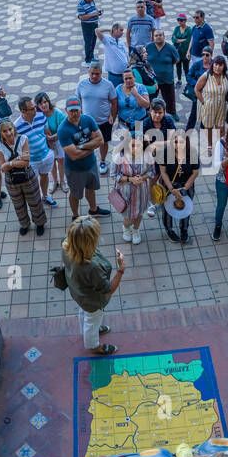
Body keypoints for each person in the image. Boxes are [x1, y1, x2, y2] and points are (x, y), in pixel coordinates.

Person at [61, 216, 125, 355]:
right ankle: (94, 346)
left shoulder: (66, 244)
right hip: (92, 301)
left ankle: (87, 330)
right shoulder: (91, 268)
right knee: (92, 321)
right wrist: (121, 269)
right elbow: (108, 290)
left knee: (84, 314)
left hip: (78, 292)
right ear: (89, 241)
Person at [56, 96, 112, 219]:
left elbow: (101, 140)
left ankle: (93, 210)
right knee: (75, 194)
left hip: (91, 164)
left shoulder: (88, 120)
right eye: (71, 111)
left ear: (81, 108)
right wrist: (92, 147)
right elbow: (74, 156)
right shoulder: (63, 129)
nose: (75, 113)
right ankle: (75, 216)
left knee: (91, 188)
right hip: (75, 169)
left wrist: (80, 146)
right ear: (66, 110)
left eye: (77, 110)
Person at [0, 119, 47, 236]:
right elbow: (2, 167)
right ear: (0, 133)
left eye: (10, 129)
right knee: (18, 205)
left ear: (14, 128)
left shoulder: (23, 139)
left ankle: (39, 223)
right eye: (5, 131)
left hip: (28, 175)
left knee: (35, 201)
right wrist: (19, 159)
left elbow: (26, 162)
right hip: (11, 180)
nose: (9, 133)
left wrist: (9, 163)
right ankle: (24, 224)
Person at [15, 97, 58, 207]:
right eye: (32, 108)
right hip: (31, 161)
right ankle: (36, 201)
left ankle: (45, 197)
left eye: (34, 106)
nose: (36, 109)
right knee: (32, 183)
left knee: (44, 177)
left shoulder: (41, 116)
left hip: (45, 155)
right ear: (23, 111)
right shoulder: (16, 127)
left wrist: (51, 150)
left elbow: (47, 132)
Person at [75, 62, 118, 174]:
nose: (94, 76)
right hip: (86, 122)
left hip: (104, 121)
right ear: (88, 72)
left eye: (97, 74)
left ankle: (102, 161)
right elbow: (77, 101)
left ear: (101, 73)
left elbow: (114, 102)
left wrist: (112, 116)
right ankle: (88, 161)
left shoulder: (108, 85)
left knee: (103, 142)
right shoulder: (81, 84)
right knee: (86, 142)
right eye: (92, 73)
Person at [157, 131, 200, 243]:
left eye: (181, 142)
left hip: (186, 184)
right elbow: (163, 172)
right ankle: (169, 229)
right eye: (175, 142)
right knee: (167, 208)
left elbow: (195, 172)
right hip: (169, 184)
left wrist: (185, 188)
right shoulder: (165, 152)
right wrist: (171, 189)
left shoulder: (192, 153)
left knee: (186, 207)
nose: (178, 145)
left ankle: (184, 229)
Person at [113, 131, 154, 244]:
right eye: (132, 145)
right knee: (129, 218)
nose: (135, 148)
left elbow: (151, 172)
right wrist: (130, 179)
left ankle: (136, 230)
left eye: (138, 145)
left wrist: (142, 177)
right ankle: (126, 228)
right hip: (126, 193)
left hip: (142, 192)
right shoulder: (119, 158)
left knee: (139, 213)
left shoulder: (148, 156)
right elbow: (114, 175)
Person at [143, 28, 181, 116]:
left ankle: (172, 113)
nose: (158, 37)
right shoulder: (148, 47)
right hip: (152, 80)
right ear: (153, 37)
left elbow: (177, 60)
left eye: (160, 35)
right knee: (150, 98)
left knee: (170, 98)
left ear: (164, 36)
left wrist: (165, 66)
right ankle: (148, 114)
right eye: (156, 35)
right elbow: (143, 58)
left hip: (167, 79)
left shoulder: (170, 48)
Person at [195, 55, 228, 151]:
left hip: (221, 107)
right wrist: (203, 102)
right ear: (212, 65)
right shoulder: (206, 76)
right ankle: (210, 145)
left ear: (224, 66)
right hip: (209, 106)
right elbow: (197, 90)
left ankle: (219, 146)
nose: (218, 67)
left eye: (220, 65)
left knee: (220, 128)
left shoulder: (226, 77)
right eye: (216, 65)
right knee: (209, 127)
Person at [36, 92, 66, 196]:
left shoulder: (57, 113)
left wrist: (53, 137)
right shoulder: (38, 116)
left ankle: (62, 181)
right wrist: (48, 140)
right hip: (46, 143)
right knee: (52, 163)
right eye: (40, 104)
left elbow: (64, 129)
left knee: (61, 161)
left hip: (59, 141)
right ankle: (55, 182)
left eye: (45, 102)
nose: (43, 105)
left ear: (48, 101)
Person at [183, 47, 214, 131]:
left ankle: (203, 131)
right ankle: (187, 134)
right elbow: (189, 76)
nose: (204, 56)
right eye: (203, 54)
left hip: (210, 95)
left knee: (206, 114)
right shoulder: (197, 64)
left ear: (211, 56)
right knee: (194, 114)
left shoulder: (214, 65)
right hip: (197, 93)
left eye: (207, 55)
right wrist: (198, 84)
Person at [114, 68, 152, 133]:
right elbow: (115, 105)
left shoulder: (141, 87)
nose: (128, 80)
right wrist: (113, 118)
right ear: (123, 79)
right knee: (125, 142)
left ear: (134, 78)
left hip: (139, 121)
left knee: (138, 141)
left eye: (130, 78)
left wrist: (136, 94)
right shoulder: (118, 89)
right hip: (124, 122)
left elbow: (147, 105)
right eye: (126, 79)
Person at [77, 0, 102, 64]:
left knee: (93, 41)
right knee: (88, 42)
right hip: (87, 25)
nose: (92, 0)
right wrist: (94, 14)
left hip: (94, 24)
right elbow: (82, 17)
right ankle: (88, 59)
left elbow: (94, 8)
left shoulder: (91, 1)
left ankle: (92, 56)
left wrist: (97, 12)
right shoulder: (81, 4)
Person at [170, 12, 192, 83]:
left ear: (185, 21)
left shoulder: (189, 30)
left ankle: (188, 81)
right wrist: (181, 40)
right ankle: (179, 80)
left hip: (186, 52)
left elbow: (188, 41)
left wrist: (177, 40)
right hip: (177, 52)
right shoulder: (176, 28)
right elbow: (173, 39)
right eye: (178, 20)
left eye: (181, 20)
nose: (180, 22)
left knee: (186, 68)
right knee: (178, 67)